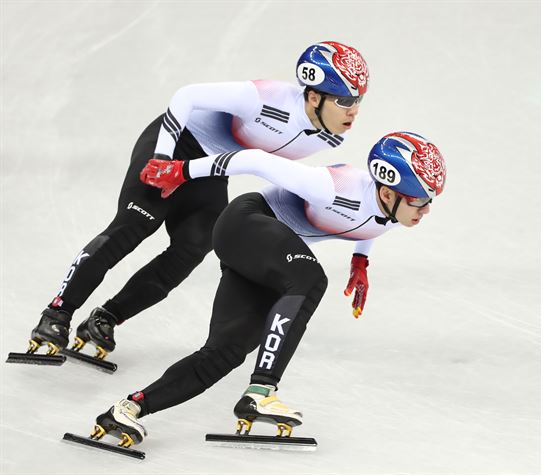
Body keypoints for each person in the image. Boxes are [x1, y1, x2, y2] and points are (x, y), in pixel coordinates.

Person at [87, 131, 446, 448]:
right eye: (420, 201)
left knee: (224, 353)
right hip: (246, 223)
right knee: (310, 280)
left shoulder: (396, 211)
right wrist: (181, 171)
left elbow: (370, 227)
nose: (426, 210)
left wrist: (360, 262)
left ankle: (128, 408)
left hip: (261, 254)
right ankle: (261, 391)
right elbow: (253, 160)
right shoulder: (333, 186)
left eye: (430, 199)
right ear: (387, 191)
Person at [25, 41, 369, 360]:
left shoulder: (329, 139)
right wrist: (162, 158)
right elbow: (187, 96)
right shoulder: (267, 97)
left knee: (195, 246)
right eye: (343, 101)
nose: (353, 111)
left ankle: (106, 318)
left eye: (357, 101)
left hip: (207, 170)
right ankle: (57, 313)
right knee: (135, 225)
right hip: (175, 146)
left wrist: (360, 257)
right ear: (313, 97)